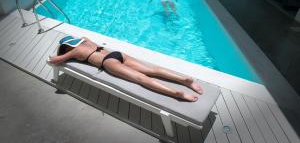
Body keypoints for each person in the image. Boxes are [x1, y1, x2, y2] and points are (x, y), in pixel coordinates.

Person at [49, 36, 203, 102]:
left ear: (68, 46)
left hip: (108, 62)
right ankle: (185, 80)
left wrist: (61, 54)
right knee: (152, 70)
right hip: (117, 54)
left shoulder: (75, 51)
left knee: (142, 79)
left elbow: (56, 60)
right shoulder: (86, 41)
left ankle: (178, 93)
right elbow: (81, 38)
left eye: (66, 47)